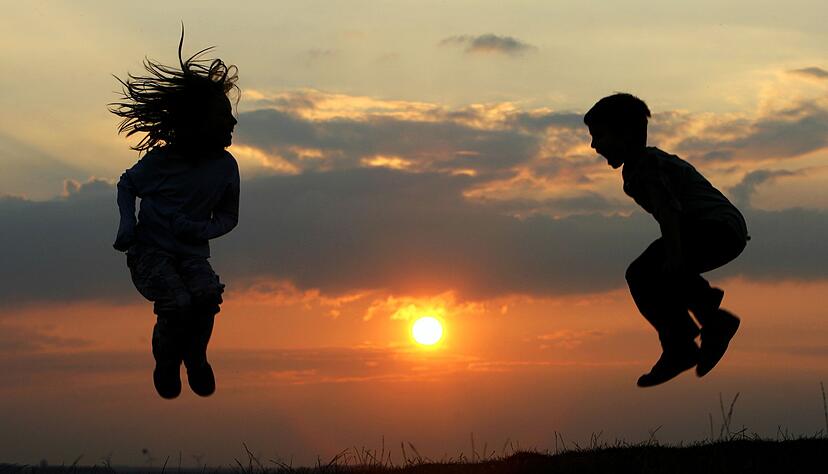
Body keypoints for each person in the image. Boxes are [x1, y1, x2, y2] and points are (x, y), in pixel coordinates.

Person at [584, 93, 749, 387]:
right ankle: (704, 322)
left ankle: (685, 343)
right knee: (659, 273)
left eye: (599, 135)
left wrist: (675, 255)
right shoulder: (648, 164)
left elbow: (669, 212)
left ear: (626, 133)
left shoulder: (645, 167)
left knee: (643, 273)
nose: (594, 145)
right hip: (723, 228)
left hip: (712, 227)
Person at [110, 32, 240, 399]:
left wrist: (202, 228)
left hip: (192, 254)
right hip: (151, 253)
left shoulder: (226, 168)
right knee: (178, 303)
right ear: (198, 123)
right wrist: (127, 225)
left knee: (205, 296)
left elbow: (230, 216)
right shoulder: (163, 162)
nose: (232, 124)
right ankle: (166, 361)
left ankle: (196, 357)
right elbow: (126, 186)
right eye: (223, 117)